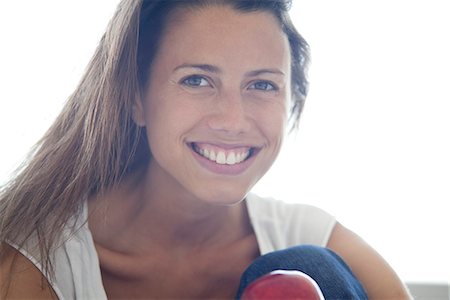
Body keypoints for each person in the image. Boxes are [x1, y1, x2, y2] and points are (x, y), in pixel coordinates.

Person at [0, 0, 411, 299]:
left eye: (263, 84)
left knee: (310, 267)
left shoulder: (315, 238)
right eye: (197, 80)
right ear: (136, 97)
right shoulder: (40, 261)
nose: (234, 121)